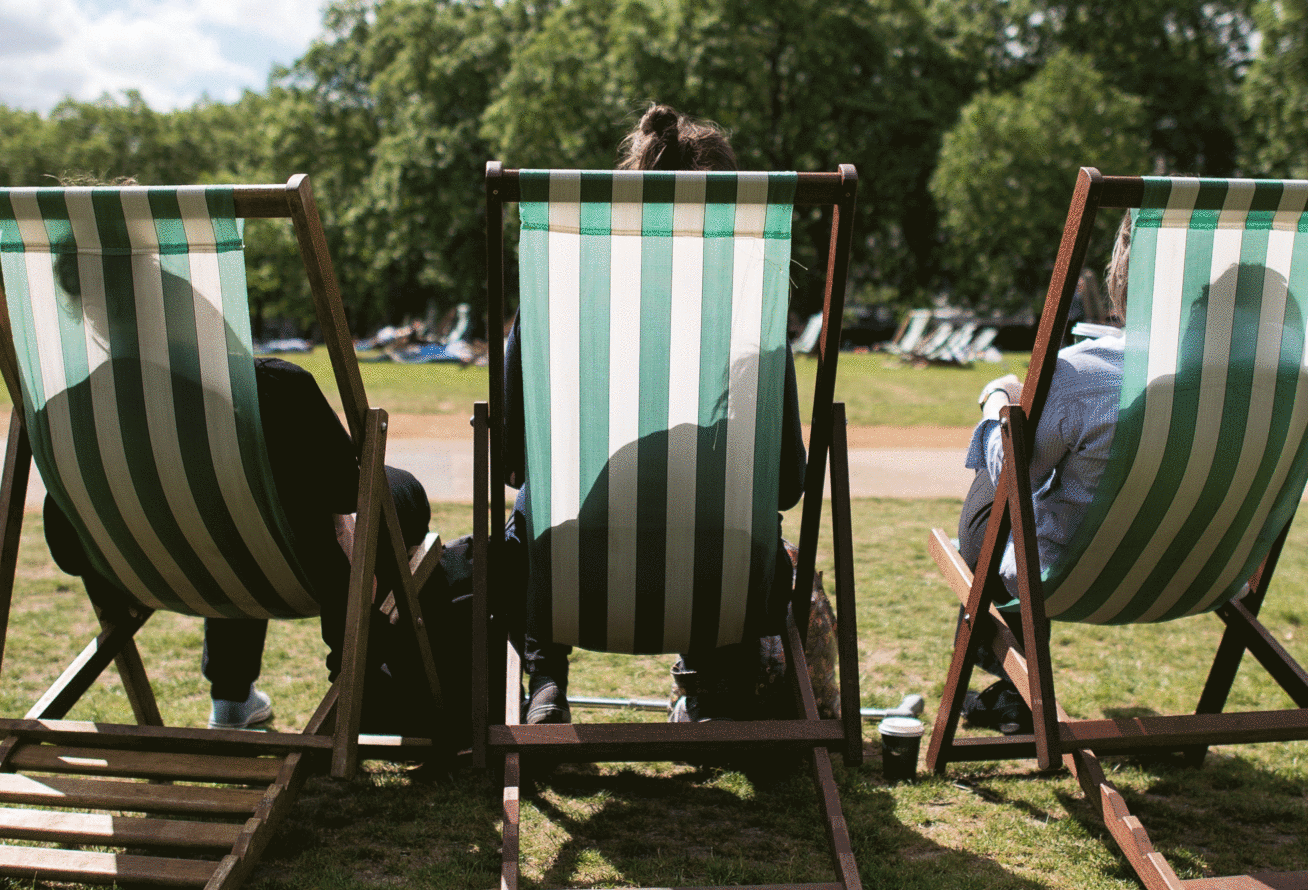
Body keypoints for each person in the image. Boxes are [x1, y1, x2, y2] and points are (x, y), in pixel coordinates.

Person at [501, 103, 806, 725]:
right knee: (722, 515)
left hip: (567, 583)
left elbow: (508, 461)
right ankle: (705, 691)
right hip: (720, 590)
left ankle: (545, 684)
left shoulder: (558, 304)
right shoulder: (753, 323)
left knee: (537, 517)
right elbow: (790, 484)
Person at [41, 356, 435, 728]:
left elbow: (65, 545)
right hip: (281, 570)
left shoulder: (71, 403)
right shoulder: (270, 385)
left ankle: (231, 696)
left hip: (146, 575)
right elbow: (347, 491)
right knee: (399, 491)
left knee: (221, 515)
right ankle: (365, 689)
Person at [951, 215, 1132, 734]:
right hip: (1203, 573)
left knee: (1005, 463)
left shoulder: (1087, 374)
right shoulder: (1286, 379)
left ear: (1121, 275)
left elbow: (1015, 478)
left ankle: (1012, 680)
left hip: (1075, 578)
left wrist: (999, 405)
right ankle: (1011, 687)